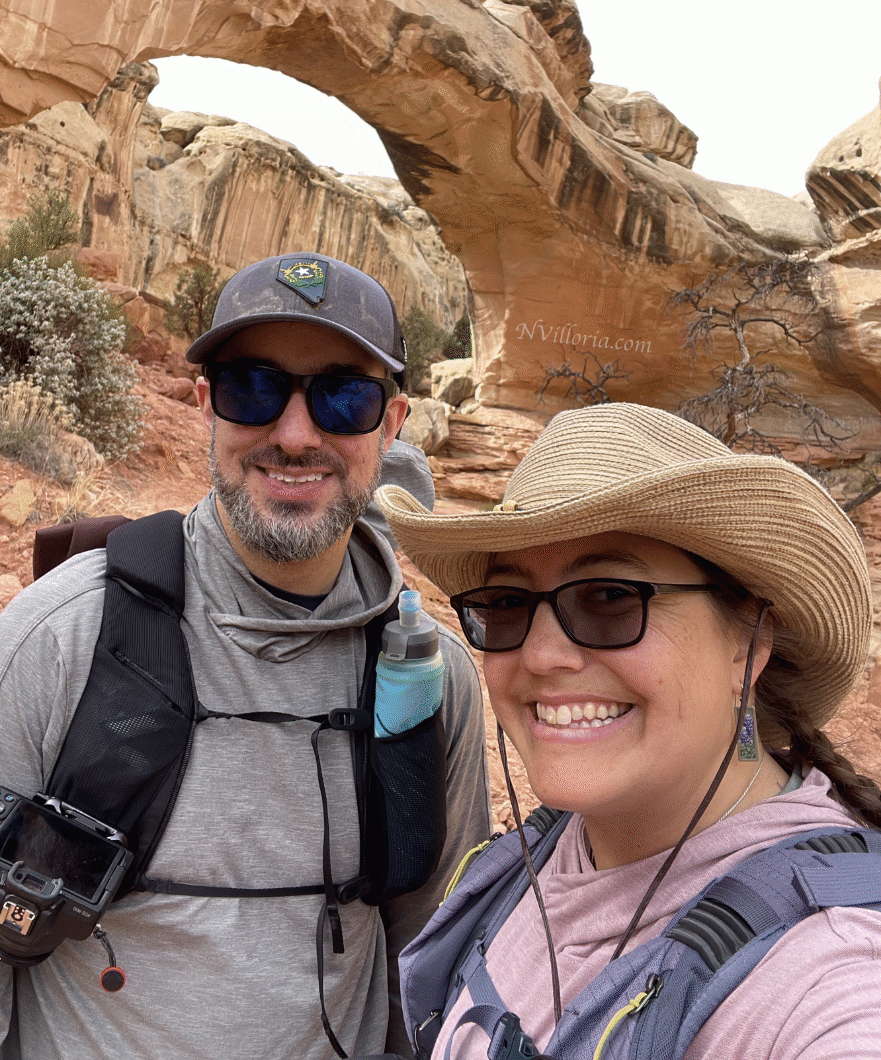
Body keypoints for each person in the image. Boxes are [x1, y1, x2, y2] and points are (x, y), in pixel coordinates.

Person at [0, 252, 490, 1060]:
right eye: (253, 388)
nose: (296, 433)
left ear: (393, 422)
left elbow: (435, 962)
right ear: (206, 403)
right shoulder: (66, 633)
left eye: (344, 395)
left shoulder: (431, 677)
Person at [377, 402, 881, 1059]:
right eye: (507, 605)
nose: (540, 655)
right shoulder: (551, 850)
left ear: (747, 643)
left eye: (610, 597)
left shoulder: (830, 972)